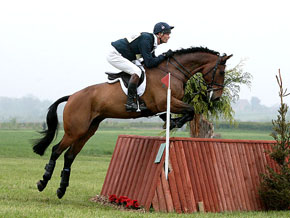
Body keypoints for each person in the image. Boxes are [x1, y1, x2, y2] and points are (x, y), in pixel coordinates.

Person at [107, 22, 174, 112]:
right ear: (159, 34)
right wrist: (164, 55)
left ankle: (141, 99)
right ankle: (130, 102)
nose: (169, 36)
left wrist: (164, 57)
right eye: (167, 33)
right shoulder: (147, 40)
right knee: (137, 71)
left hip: (128, 56)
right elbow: (149, 63)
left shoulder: (151, 42)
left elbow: (151, 61)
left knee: (143, 70)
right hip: (115, 54)